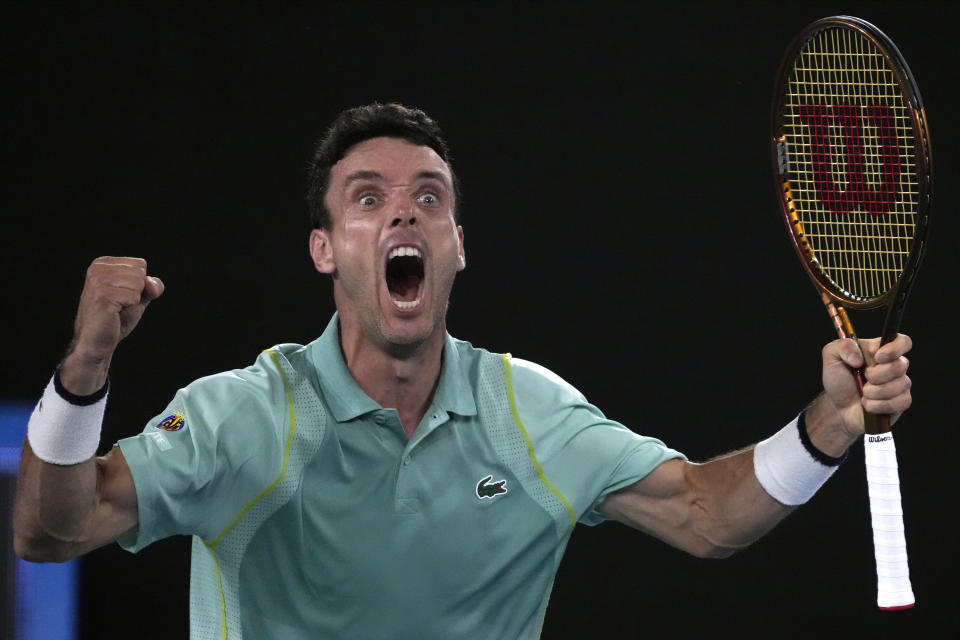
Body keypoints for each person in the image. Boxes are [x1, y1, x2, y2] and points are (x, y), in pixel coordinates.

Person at [14, 103, 914, 639]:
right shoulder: (245, 416)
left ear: (457, 247)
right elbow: (53, 530)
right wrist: (85, 370)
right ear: (325, 250)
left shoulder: (530, 413)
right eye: (369, 198)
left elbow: (706, 514)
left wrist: (826, 426)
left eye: (428, 199)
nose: (403, 214)